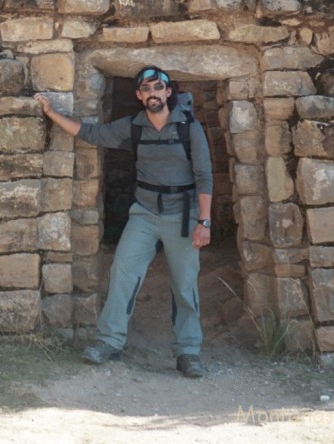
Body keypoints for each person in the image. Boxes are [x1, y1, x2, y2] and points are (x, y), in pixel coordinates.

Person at [34, 65, 213, 378]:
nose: (153, 94)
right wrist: (52, 112)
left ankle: (188, 351)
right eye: (147, 90)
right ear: (140, 96)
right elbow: (92, 133)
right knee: (122, 272)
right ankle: (109, 341)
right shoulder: (134, 126)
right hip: (144, 212)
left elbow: (204, 176)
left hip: (183, 215)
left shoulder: (189, 128)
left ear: (168, 93)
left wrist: (205, 222)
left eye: (159, 88)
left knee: (184, 283)